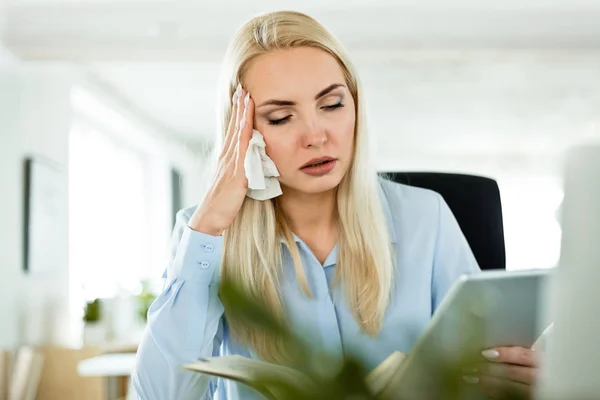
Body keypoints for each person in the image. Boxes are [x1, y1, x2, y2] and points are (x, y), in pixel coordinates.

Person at [132, 10, 539, 400]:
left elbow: (481, 367)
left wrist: (520, 379)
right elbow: (162, 396)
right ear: (245, 134)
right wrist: (210, 226)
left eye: (331, 105)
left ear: (356, 107)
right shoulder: (204, 236)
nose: (316, 135)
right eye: (280, 117)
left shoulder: (425, 217)